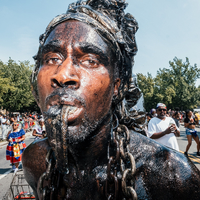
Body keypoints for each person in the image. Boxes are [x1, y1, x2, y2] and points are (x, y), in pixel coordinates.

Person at [22, 0, 200, 199]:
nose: (63, 75)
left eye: (90, 60)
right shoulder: (34, 161)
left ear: (117, 86)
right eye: (52, 59)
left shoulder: (173, 177)